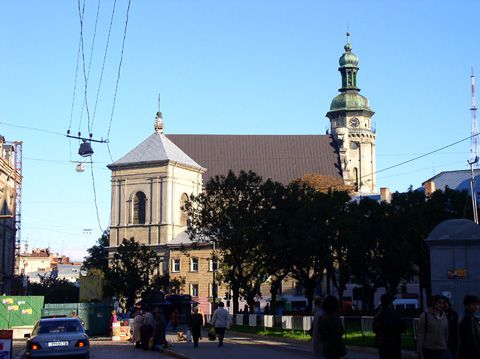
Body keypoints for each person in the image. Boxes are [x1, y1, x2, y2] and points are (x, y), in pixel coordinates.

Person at [416, 295, 449, 359]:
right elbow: (420, 333)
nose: (441, 305)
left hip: (442, 348)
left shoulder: (444, 316)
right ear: (434, 303)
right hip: (429, 348)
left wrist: (445, 344)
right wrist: (419, 350)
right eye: (439, 303)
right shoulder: (425, 315)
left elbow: (446, 332)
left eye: (443, 303)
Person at [373, 294, 404, 359]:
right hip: (394, 343)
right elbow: (402, 328)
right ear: (390, 302)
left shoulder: (377, 315)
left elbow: (374, 329)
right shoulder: (395, 314)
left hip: (382, 343)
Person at [458, 295, 480, 359]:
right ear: (467, 306)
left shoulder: (472, 317)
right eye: (473, 304)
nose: (476, 307)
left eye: (478, 305)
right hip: (471, 353)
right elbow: (472, 340)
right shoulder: (467, 319)